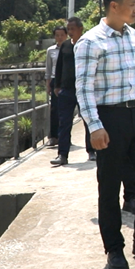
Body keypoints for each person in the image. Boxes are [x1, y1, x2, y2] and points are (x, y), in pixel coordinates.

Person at [75, 0, 135, 269]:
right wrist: (94, 126)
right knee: (110, 185)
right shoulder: (91, 42)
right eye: (133, 3)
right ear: (115, 6)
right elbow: (84, 88)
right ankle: (114, 248)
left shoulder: (133, 37)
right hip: (110, 119)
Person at [50, 17, 94, 166]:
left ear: (80, 29)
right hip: (67, 90)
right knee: (64, 122)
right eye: (68, 29)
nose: (70, 32)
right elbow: (59, 67)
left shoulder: (88, 44)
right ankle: (62, 155)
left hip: (85, 89)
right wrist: (57, 86)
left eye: (72, 29)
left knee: (89, 120)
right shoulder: (66, 46)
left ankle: (92, 151)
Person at [44, 26, 68, 147]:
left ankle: (65, 137)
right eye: (57, 35)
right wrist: (48, 85)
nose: (60, 37)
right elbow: (48, 69)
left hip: (67, 81)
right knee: (54, 110)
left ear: (66, 35)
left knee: (66, 111)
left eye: (62, 35)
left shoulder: (71, 48)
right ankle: (53, 137)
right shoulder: (51, 50)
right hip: (55, 81)